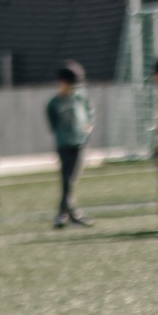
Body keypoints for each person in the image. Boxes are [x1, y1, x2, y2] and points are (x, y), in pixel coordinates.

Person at [46, 61, 95, 228]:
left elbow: (89, 112)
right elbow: (52, 122)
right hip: (64, 143)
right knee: (67, 179)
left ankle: (64, 214)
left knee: (71, 179)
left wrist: (88, 126)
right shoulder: (55, 102)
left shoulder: (80, 98)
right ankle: (71, 213)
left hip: (80, 142)